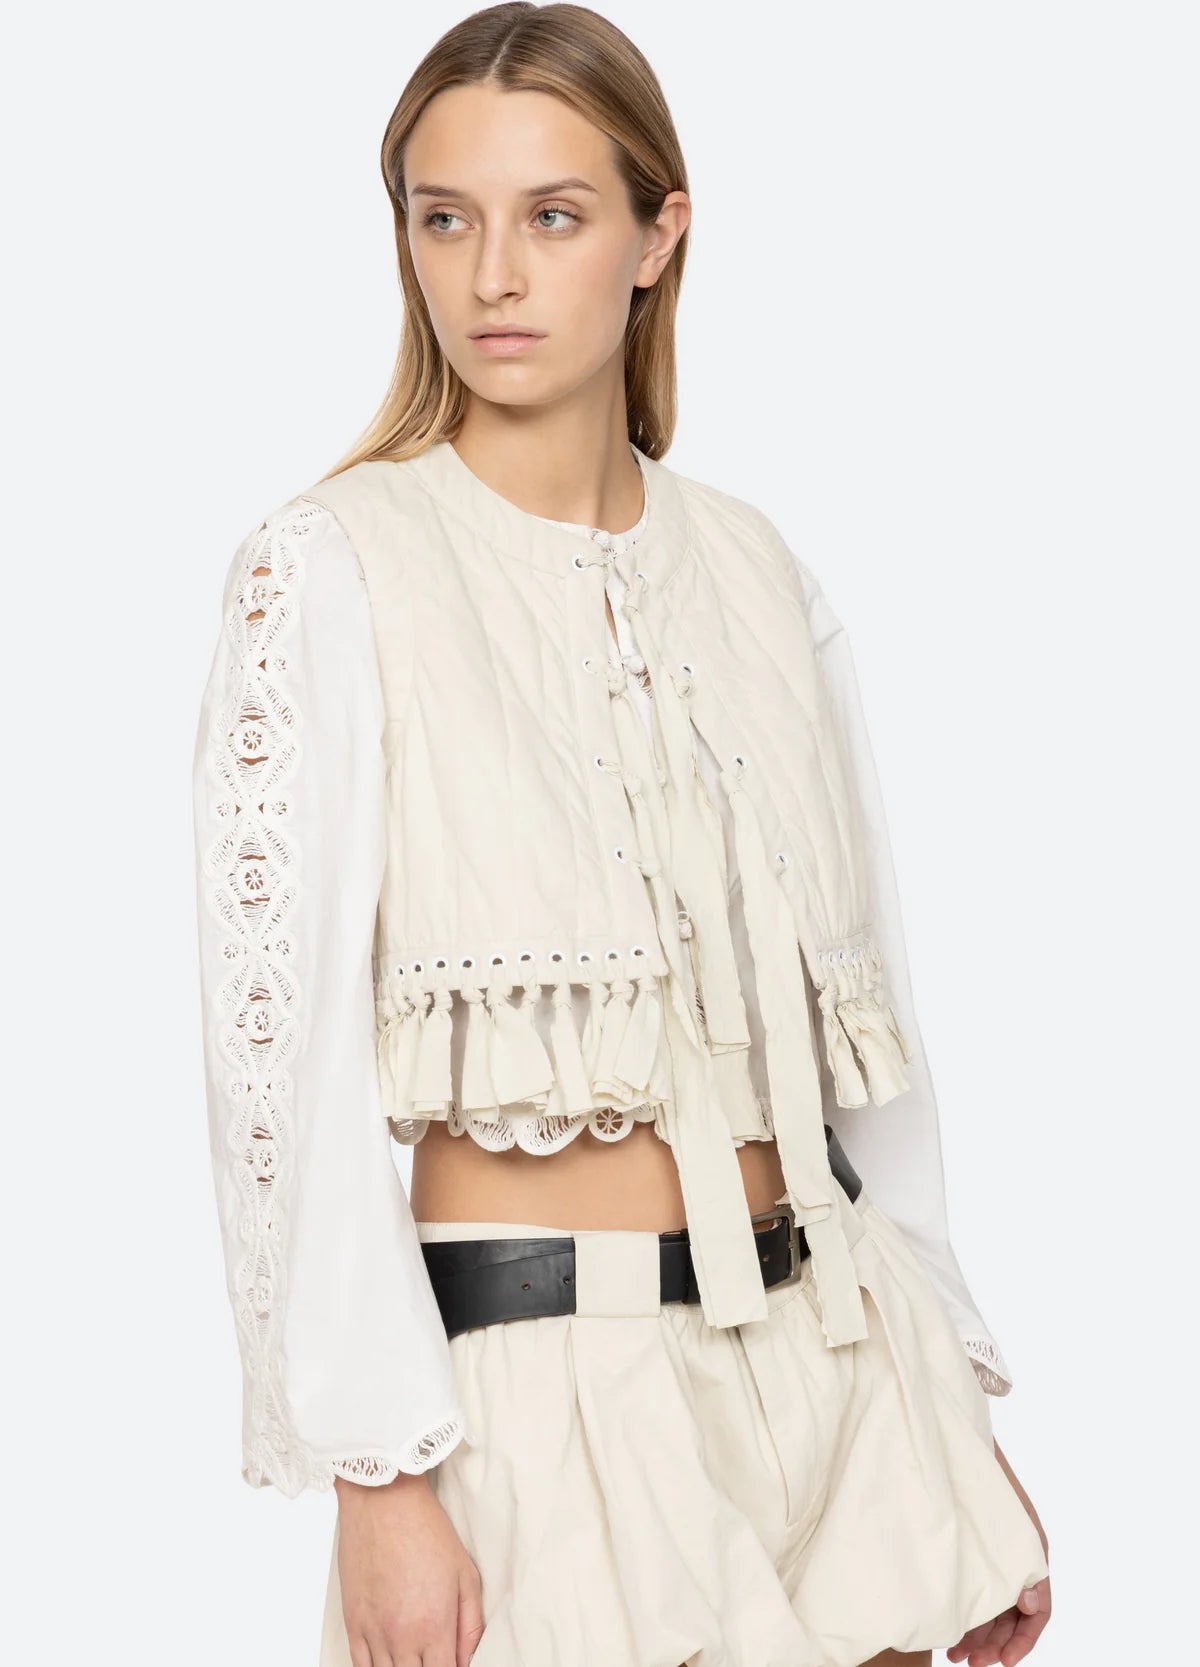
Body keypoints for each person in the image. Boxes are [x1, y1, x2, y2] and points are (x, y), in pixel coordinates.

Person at [191, 6, 1052, 1665]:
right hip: (541, 1399)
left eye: (554, 214)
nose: (494, 274)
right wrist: (380, 1476)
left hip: (844, 1372)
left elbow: (867, 1035)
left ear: (660, 236)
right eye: (446, 218)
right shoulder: (336, 568)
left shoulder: (758, 571)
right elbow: (276, 1072)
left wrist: (952, 1398)